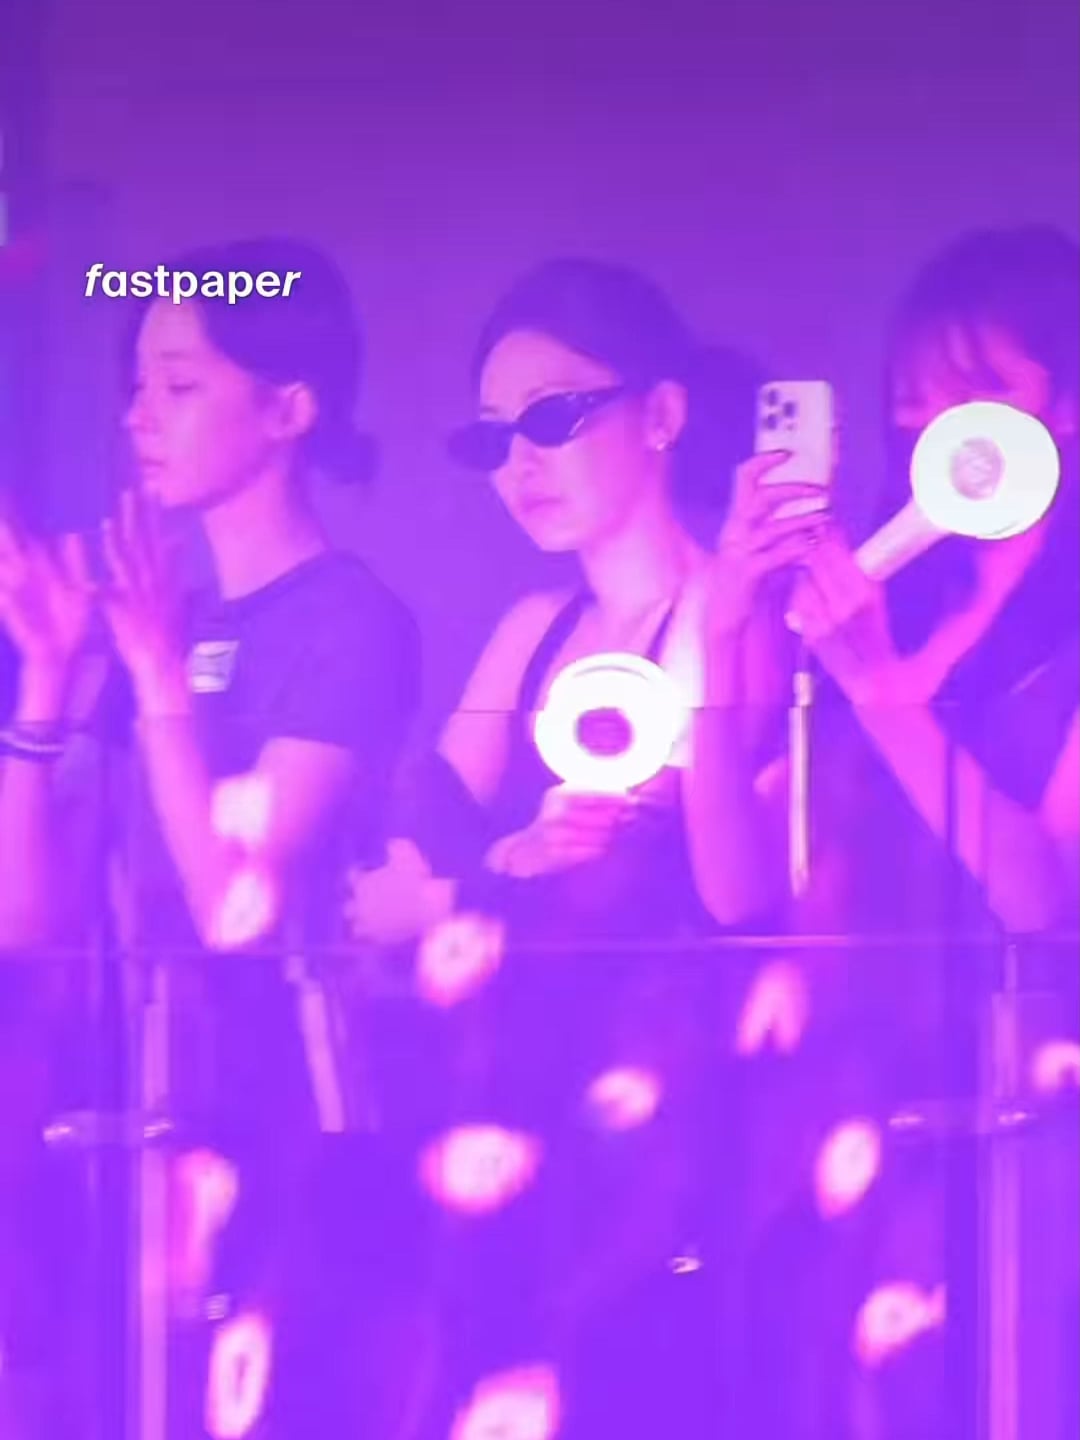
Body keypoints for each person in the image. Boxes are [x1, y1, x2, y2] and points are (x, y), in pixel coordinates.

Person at [344, 257, 826, 1437]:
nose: (521, 462)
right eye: (494, 436)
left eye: (553, 418)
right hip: (507, 1107)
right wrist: (506, 866)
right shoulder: (531, 629)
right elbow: (389, 885)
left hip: (670, 1139)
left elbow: (735, 890)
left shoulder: (734, 613)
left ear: (661, 415)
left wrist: (492, 881)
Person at [0, 237, 421, 1435]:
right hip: (130, 1118)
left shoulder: (349, 618)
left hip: (290, 1129)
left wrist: (159, 682)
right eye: (136, 385)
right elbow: (27, 917)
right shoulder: (160, 616)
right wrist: (47, 684)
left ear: (288, 409)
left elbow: (234, 909)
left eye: (180, 386)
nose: (140, 416)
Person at [743, 225, 1080, 1440]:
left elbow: (1044, 898)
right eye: (911, 399)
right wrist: (738, 618)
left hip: (1023, 1119)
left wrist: (878, 689)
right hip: (853, 1108)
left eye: (976, 392)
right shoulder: (897, 603)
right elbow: (754, 883)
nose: (935, 428)